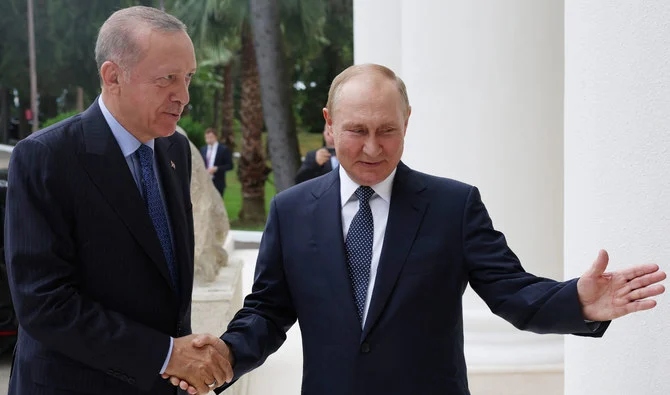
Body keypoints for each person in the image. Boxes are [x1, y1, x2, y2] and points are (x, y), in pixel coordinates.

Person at [172, 64, 666, 395]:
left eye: (387, 130)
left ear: (407, 122)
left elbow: (514, 294)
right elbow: (267, 311)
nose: (372, 147)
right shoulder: (291, 210)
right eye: (356, 130)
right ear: (328, 124)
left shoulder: (455, 206)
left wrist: (577, 301)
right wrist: (226, 355)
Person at [4, 6, 232, 395]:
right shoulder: (45, 157)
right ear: (113, 77)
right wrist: (165, 355)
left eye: (188, 77)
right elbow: (44, 304)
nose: (184, 96)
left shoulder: (174, 149)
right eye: (168, 79)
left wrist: (184, 358)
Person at [200, 128, 233, 196]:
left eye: (210, 137)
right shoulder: (203, 149)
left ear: (215, 137)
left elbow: (230, 166)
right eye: (207, 137)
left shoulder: (223, 149)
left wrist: (217, 168)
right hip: (205, 181)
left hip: (218, 182)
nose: (208, 139)